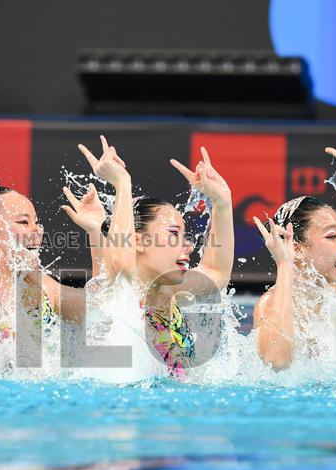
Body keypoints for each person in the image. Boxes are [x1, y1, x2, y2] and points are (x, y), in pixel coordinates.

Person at [90, 138, 235, 379]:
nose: (187, 245)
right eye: (173, 233)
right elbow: (118, 259)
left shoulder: (171, 297)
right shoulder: (120, 292)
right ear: (138, 241)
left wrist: (222, 201)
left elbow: (217, 272)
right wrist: (122, 184)